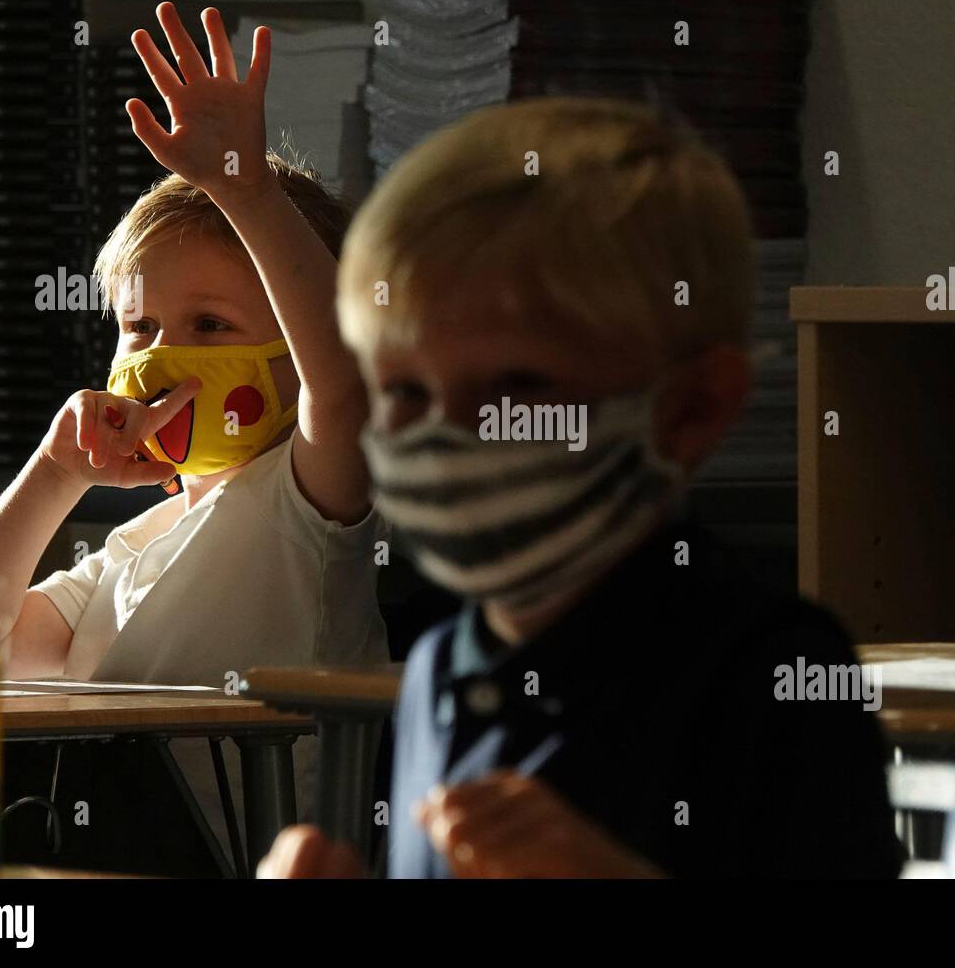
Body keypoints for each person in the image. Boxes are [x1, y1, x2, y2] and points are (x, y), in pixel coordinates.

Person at [258, 95, 905, 877]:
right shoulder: (437, 668)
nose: (448, 433)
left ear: (689, 411)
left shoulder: (775, 674)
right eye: (404, 393)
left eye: (516, 387)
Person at [0, 3, 387, 863]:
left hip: (235, 857)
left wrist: (244, 187)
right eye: (140, 327)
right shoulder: (132, 545)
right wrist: (56, 473)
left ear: (291, 358)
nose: (164, 354)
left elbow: (344, 385)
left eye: (209, 325)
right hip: (102, 846)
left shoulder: (307, 500)